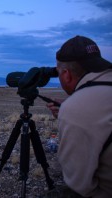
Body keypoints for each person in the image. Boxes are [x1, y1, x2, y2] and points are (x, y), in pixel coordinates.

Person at [46, 35, 112, 198]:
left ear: (66, 74)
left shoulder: (74, 108)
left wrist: (72, 111)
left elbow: (79, 185)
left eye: (59, 73)